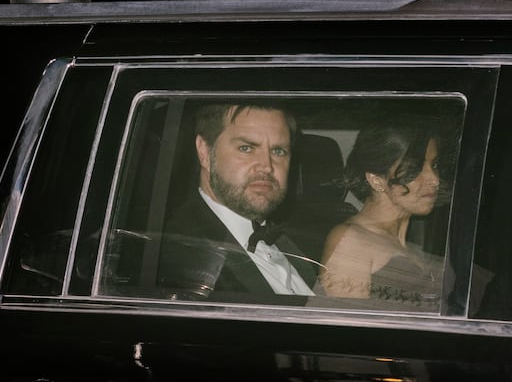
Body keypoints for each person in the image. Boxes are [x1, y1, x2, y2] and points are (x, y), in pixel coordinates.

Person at [160, 101, 319, 297]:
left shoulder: (295, 239)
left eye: (278, 151)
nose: (266, 166)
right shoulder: (179, 257)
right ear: (204, 152)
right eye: (246, 148)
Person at [317, 118, 447, 309]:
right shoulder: (352, 241)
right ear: (377, 180)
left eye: (434, 165)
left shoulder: (414, 248)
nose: (435, 179)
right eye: (415, 168)